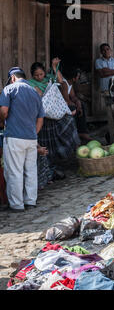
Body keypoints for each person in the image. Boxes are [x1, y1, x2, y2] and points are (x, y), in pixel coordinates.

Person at [0, 67, 45, 213]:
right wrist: (33, 133)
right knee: (30, 170)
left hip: (14, 136)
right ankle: (31, 201)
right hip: (31, 138)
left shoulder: (9, 89)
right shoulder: (35, 92)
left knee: (14, 171)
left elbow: (4, 111)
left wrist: (3, 120)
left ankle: (17, 204)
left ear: (12, 77)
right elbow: (40, 119)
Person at [31, 63, 80, 179]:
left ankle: (56, 167)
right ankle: (49, 171)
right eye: (36, 75)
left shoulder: (49, 78)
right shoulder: (30, 83)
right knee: (46, 145)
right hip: (42, 118)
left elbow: (61, 82)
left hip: (54, 116)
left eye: (41, 74)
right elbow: (40, 97)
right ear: (32, 75)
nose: (39, 77)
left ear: (45, 73)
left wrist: (54, 67)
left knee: (62, 133)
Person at [95, 43, 114, 126]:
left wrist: (107, 70)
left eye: (107, 49)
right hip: (105, 90)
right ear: (101, 52)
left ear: (110, 50)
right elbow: (101, 74)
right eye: (103, 50)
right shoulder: (98, 61)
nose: (106, 51)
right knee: (111, 107)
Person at [60, 67, 92, 142]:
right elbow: (67, 100)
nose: (78, 78)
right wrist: (76, 106)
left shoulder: (70, 83)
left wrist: (78, 102)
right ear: (73, 78)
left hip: (67, 103)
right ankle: (74, 134)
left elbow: (73, 96)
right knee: (73, 107)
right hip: (61, 105)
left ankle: (82, 131)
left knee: (82, 105)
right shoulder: (64, 83)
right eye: (78, 76)